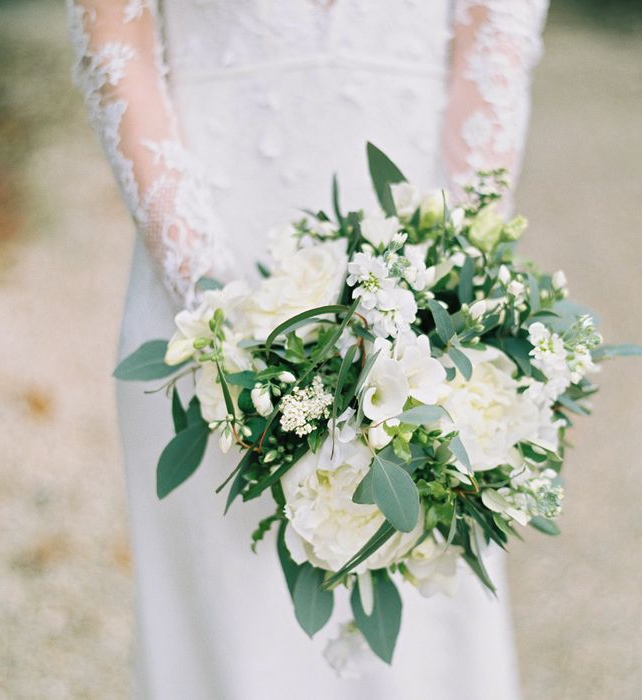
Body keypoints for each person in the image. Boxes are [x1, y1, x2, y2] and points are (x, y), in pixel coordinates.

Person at [66, 1, 549, 697]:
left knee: (424, 637)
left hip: (421, 301)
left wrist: (445, 292)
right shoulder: (209, 313)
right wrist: (217, 314)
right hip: (203, 282)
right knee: (234, 642)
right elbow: (117, 44)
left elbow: (496, 38)